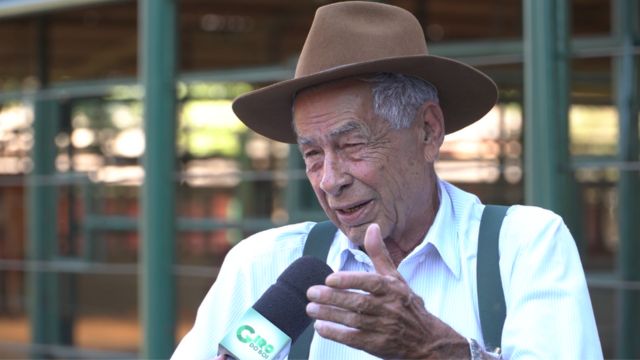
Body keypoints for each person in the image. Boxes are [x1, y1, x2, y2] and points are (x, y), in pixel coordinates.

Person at [172, 2, 602, 359]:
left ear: (428, 131)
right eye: (312, 153)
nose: (329, 180)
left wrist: (436, 350)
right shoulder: (263, 263)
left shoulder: (524, 246)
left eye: (352, 144)